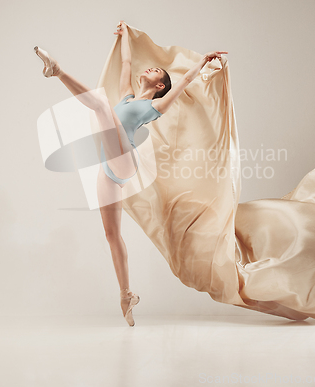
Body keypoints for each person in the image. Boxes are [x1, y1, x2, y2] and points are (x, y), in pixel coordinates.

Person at [34, 21, 227, 326]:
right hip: (109, 170)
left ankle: (56, 70)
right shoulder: (126, 97)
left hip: (124, 160)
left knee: (99, 105)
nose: (146, 70)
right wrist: (125, 35)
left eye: (153, 71)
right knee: (112, 235)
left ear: (160, 85)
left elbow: (185, 81)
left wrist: (203, 60)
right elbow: (126, 62)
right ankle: (126, 294)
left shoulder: (156, 105)